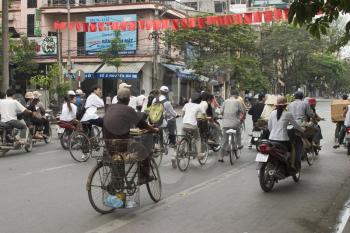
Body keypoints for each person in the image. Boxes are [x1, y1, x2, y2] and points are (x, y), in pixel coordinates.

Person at [103, 88, 158, 185]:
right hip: (122, 145)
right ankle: (143, 177)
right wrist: (153, 129)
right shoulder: (128, 109)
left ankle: (117, 182)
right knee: (143, 150)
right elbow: (141, 124)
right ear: (128, 99)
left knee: (119, 158)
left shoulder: (109, 107)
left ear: (117, 98)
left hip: (108, 144)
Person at [268, 96, 304, 170]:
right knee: (292, 149)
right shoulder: (288, 114)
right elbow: (296, 126)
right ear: (285, 105)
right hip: (283, 140)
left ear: (276, 105)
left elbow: (269, 127)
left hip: (271, 139)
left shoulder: (272, 113)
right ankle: (292, 166)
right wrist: (303, 130)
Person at [287, 91, 314, 169]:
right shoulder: (305, 103)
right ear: (302, 97)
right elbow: (309, 114)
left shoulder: (290, 104)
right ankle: (308, 145)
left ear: (294, 97)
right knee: (312, 130)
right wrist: (312, 115)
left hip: (290, 124)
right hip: (301, 123)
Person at [219, 89, 244, 163]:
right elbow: (243, 111)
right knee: (238, 132)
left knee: (224, 139)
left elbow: (221, 112)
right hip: (235, 124)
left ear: (230, 95)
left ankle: (220, 157)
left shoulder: (225, 101)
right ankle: (239, 145)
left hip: (225, 124)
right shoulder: (238, 102)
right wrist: (241, 117)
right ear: (236, 95)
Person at [180, 92, 206, 160]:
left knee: (183, 139)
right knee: (197, 138)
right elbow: (204, 115)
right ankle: (199, 154)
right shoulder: (200, 106)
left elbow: (182, 115)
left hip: (184, 125)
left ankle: (180, 152)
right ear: (200, 100)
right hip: (193, 126)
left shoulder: (186, 104)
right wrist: (204, 119)